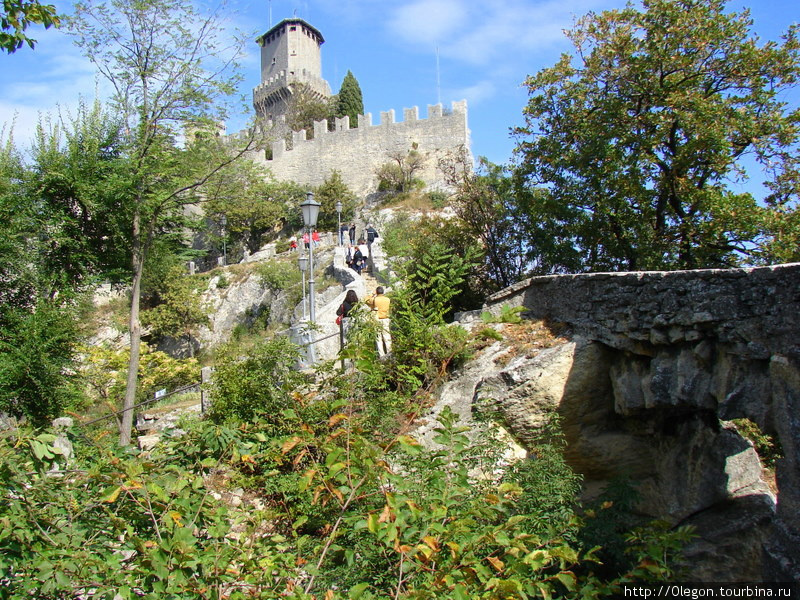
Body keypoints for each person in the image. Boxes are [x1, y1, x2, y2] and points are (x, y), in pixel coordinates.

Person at [365, 286, 391, 357]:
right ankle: (390, 352)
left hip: (377, 319)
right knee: (387, 337)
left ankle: (381, 355)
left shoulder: (374, 299)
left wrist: (372, 294)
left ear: (377, 292)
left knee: (378, 338)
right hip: (386, 319)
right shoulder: (387, 299)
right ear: (383, 292)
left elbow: (365, 300)